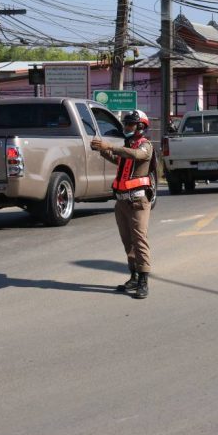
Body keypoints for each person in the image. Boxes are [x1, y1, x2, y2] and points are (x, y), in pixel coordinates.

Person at [90, 109, 156, 299]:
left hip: (137, 201)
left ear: (141, 126)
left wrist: (109, 145)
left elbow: (135, 155)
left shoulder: (145, 146)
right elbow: (119, 159)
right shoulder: (128, 145)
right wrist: (102, 149)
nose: (126, 127)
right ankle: (134, 275)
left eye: (130, 124)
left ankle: (143, 280)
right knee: (128, 241)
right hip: (122, 202)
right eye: (125, 124)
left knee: (139, 240)